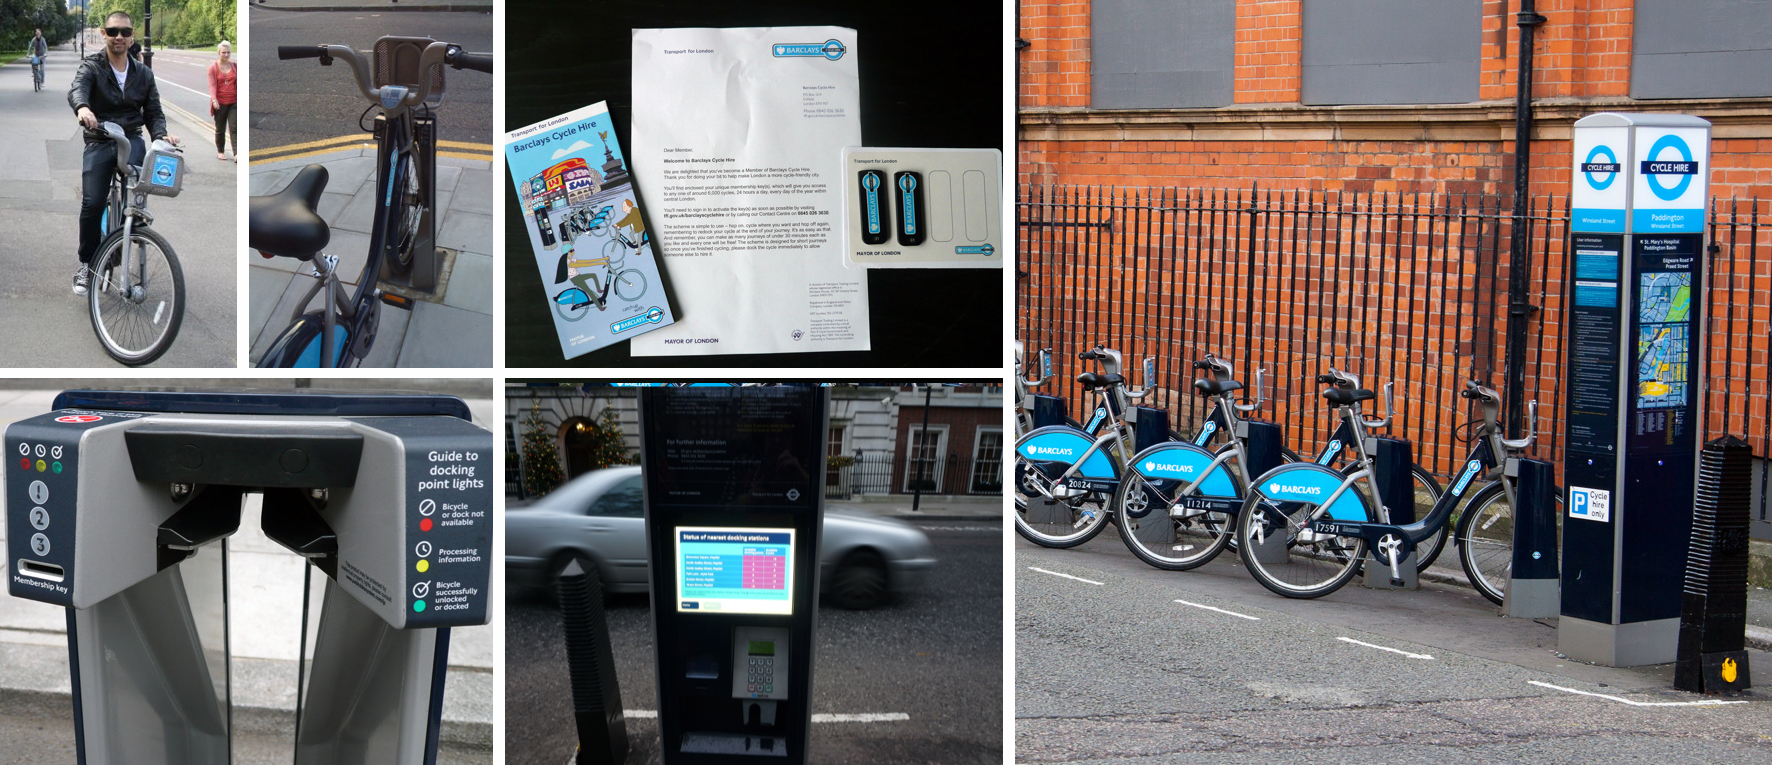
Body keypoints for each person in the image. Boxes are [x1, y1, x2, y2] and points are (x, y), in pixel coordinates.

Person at [67, 11, 178, 296]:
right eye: (113, 31)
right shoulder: (92, 66)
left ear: (132, 37)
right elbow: (78, 89)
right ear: (104, 34)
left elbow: (153, 112)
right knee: (92, 204)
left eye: (125, 32)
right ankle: (87, 264)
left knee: (138, 199)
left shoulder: (143, 73)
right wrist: (83, 108)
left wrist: (162, 136)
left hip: (130, 138)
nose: (119, 37)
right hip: (101, 138)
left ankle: (134, 224)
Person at [209, 41, 238, 161]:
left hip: (234, 101)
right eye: (223, 52)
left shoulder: (235, 66)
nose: (226, 55)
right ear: (218, 53)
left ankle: (237, 153)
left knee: (235, 128)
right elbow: (212, 85)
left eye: (228, 52)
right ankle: (220, 151)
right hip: (219, 103)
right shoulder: (213, 68)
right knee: (220, 129)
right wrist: (214, 99)